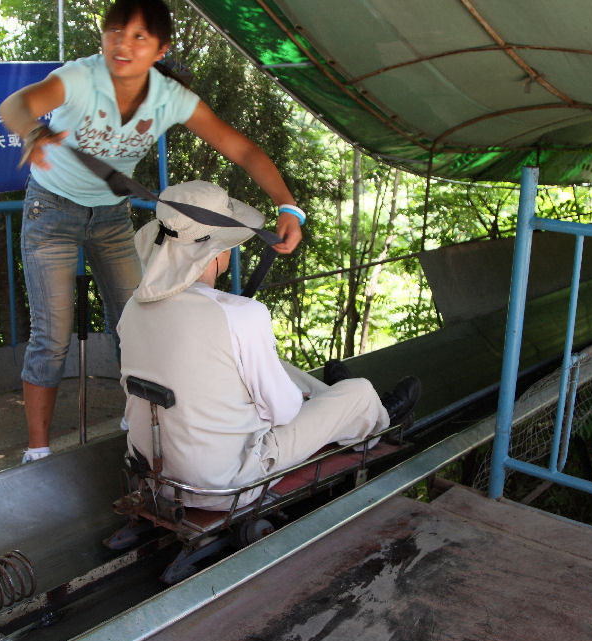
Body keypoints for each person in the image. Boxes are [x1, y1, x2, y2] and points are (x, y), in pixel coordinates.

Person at [0, 0, 305, 462]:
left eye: (140, 37)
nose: (123, 44)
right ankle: (37, 453)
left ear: (161, 49)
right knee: (52, 336)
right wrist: (30, 131)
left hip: (111, 216)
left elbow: (241, 149)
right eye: (116, 31)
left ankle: (136, 422)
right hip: (52, 212)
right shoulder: (80, 77)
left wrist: (288, 205)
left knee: (137, 319)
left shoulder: (170, 98)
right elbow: (17, 103)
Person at [118, 181, 421, 510]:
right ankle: (374, 416)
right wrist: (278, 403)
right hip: (224, 484)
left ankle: (331, 396)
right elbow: (285, 412)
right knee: (358, 390)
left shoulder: (132, 309)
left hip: (151, 477)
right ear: (220, 250)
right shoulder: (240, 315)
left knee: (279, 369)